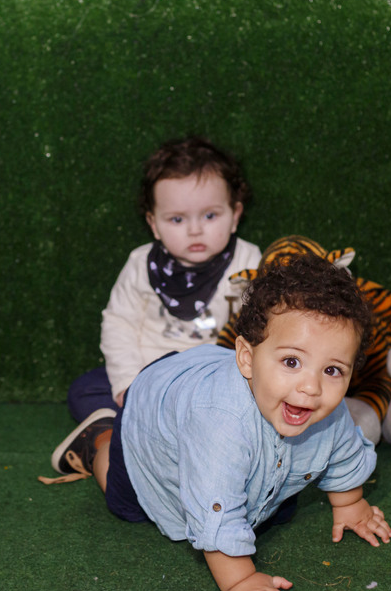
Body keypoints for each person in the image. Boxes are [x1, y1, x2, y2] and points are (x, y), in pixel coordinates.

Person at [43, 253, 391, 591]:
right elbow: (217, 514)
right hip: (155, 413)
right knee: (125, 498)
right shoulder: (220, 424)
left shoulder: (324, 409)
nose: (311, 387)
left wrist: (350, 504)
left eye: (332, 370)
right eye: (292, 362)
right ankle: (98, 439)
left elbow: (343, 453)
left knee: (275, 511)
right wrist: (241, 580)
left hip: (210, 399)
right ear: (247, 358)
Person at [67, 136, 262, 423]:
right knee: (85, 389)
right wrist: (127, 382)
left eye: (210, 215)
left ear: (235, 215)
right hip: (148, 374)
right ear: (154, 224)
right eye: (177, 219)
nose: (195, 230)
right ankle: (108, 435)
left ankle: (178, 428)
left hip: (215, 379)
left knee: (258, 395)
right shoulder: (141, 263)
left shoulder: (249, 262)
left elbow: (264, 326)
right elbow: (119, 323)